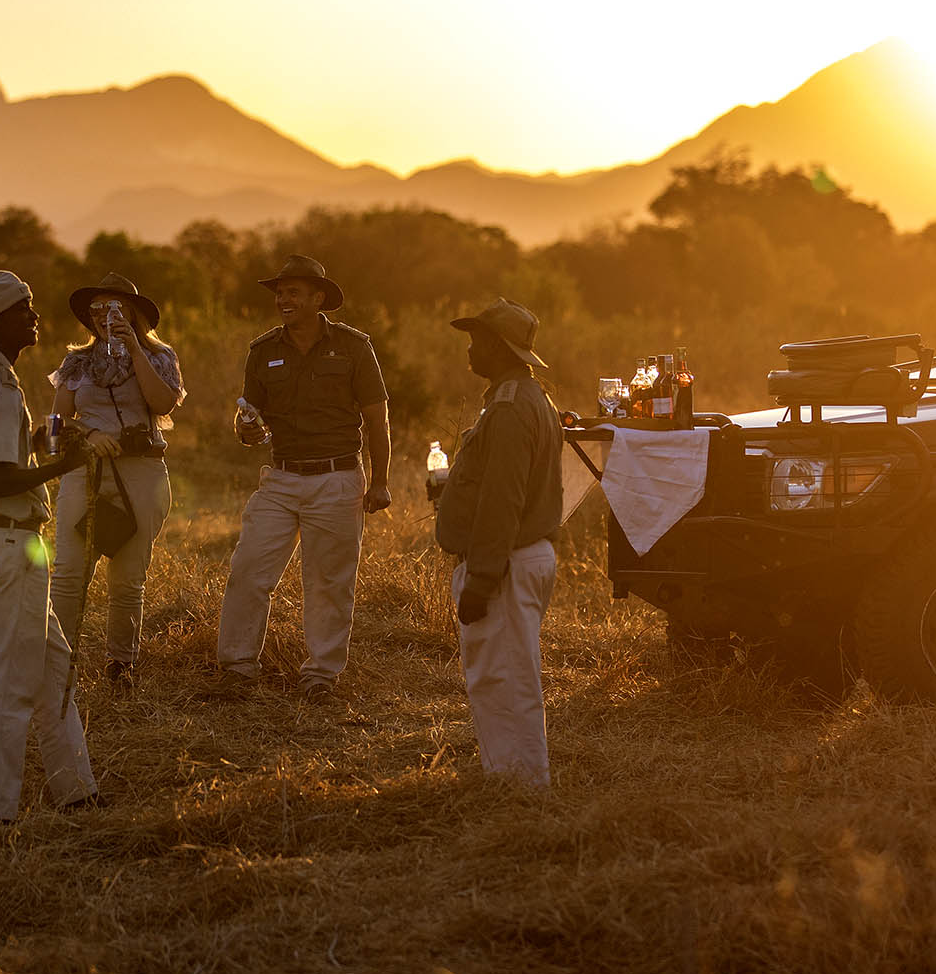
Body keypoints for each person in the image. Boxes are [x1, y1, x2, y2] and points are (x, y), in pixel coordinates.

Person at [0, 270, 100, 821]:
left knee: (54, 667)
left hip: (4, 542)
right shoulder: (0, 387)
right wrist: (63, 466)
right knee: (8, 683)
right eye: (24, 306)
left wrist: (37, 447)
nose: (35, 315)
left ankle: (76, 789)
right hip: (8, 541)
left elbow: (0, 460)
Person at [215, 254, 391, 703]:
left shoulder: (354, 347)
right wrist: (249, 430)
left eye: (292, 292)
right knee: (249, 570)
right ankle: (237, 668)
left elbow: (376, 417)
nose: (282, 299)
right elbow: (250, 422)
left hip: (337, 478)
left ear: (318, 298)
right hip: (280, 478)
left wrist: (381, 481)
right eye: (280, 292)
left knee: (329, 582)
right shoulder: (263, 351)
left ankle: (321, 676)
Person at [432, 297, 563, 788]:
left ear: (500, 348)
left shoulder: (510, 408)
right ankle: (508, 777)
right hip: (519, 556)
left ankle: (521, 788)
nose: (469, 351)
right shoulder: (529, 399)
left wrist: (482, 578)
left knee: (506, 679)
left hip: (505, 562)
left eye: (477, 341)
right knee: (501, 675)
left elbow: (503, 501)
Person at [48, 273, 185, 690]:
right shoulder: (76, 362)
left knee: (127, 576)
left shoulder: (160, 357)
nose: (102, 317)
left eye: (113, 308)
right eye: (95, 310)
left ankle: (120, 665)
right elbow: (54, 425)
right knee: (69, 571)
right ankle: (56, 661)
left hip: (142, 472)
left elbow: (162, 402)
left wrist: (134, 350)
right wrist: (88, 436)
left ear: (132, 313)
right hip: (86, 472)